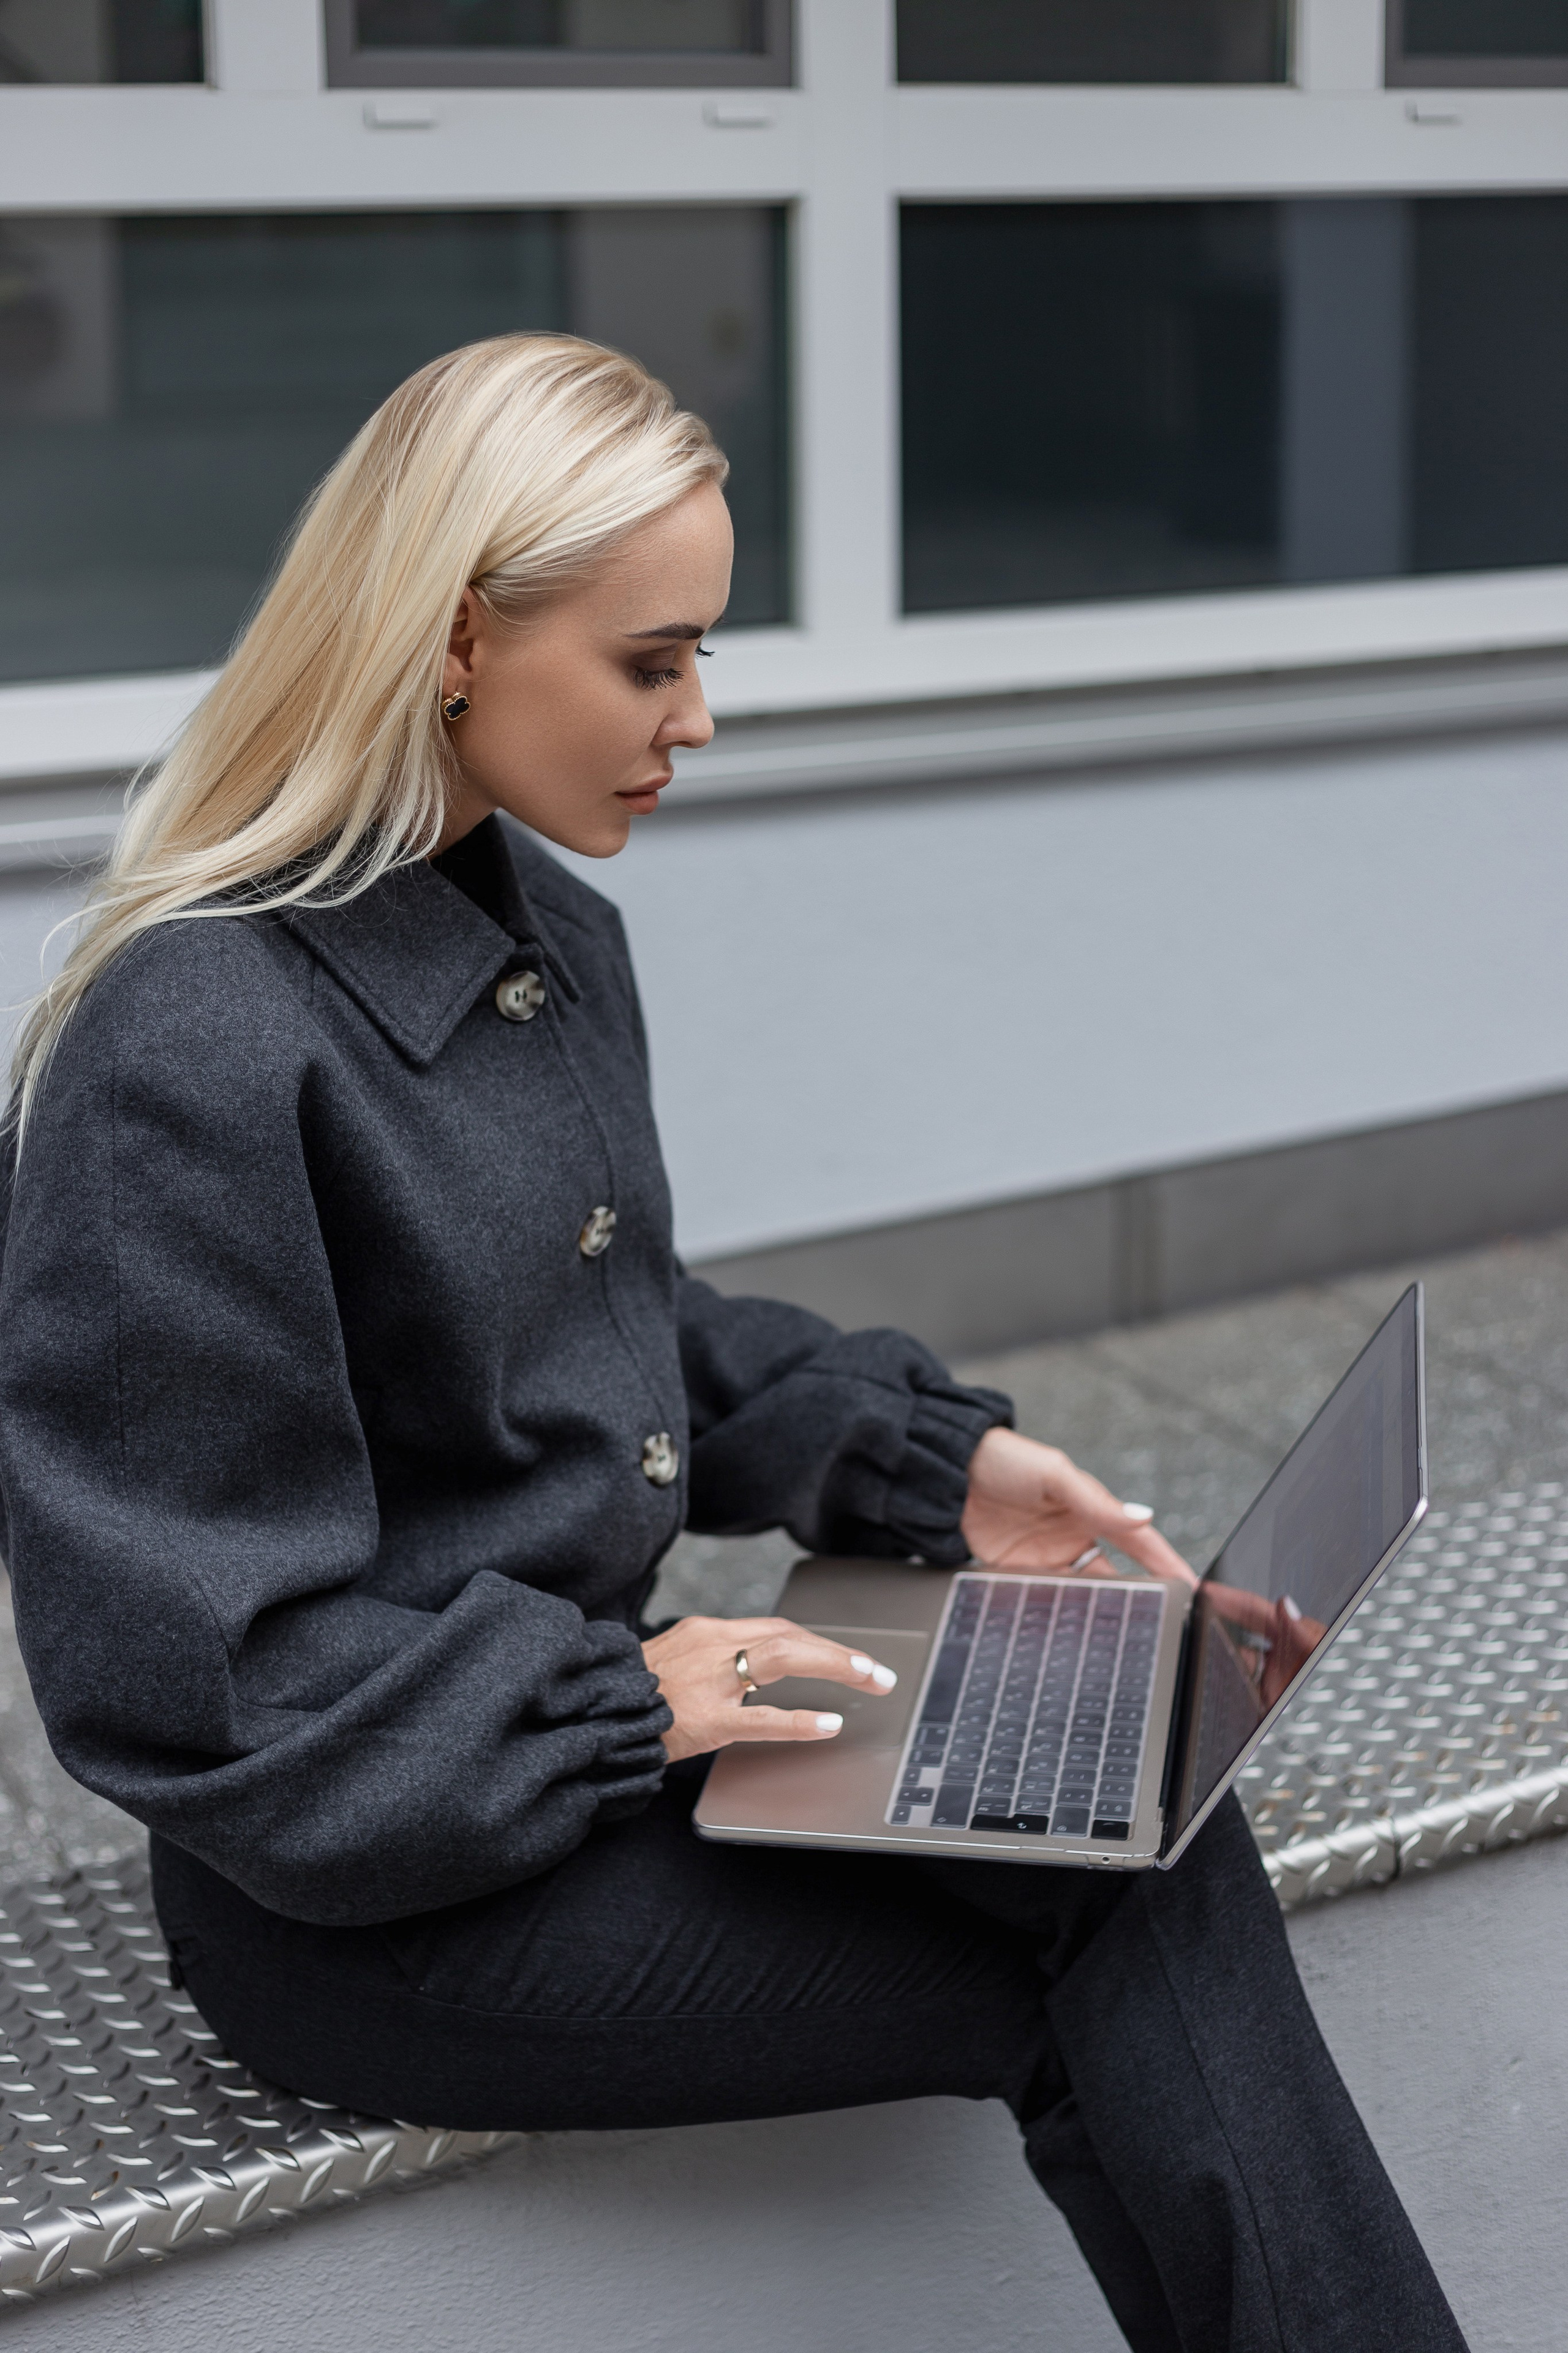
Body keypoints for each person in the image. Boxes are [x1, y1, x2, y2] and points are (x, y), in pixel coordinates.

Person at [0, 336, 1466, 2353]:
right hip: (373, 1894)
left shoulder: (540, 929)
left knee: (1132, 1814)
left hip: (588, 1767)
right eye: (650, 659)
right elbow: (203, 1687)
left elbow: (602, 1320)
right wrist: (632, 1696)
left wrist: (919, 1462)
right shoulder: (187, 1050)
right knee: (1122, 1911)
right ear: (450, 640)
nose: (699, 717)